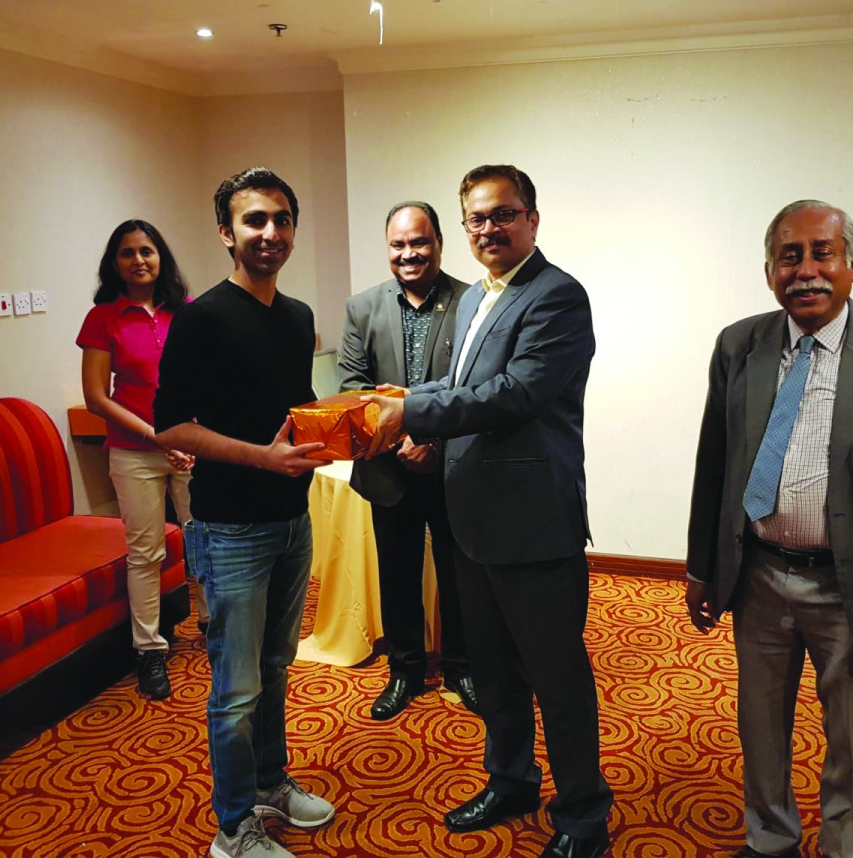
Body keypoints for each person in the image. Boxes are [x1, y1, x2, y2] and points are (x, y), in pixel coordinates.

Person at [685, 200, 853, 858]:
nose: (806, 270)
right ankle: (771, 838)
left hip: (852, 586)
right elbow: (714, 464)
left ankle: (841, 847)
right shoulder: (739, 345)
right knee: (760, 726)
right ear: (770, 271)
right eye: (789, 255)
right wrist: (702, 567)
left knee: (850, 740)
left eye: (822, 253)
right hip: (761, 577)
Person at [365, 165, 613, 858]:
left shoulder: (558, 296)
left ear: (532, 218)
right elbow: (462, 385)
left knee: (556, 678)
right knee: (497, 674)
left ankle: (583, 818)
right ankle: (511, 781)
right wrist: (411, 402)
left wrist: (411, 409)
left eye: (502, 214)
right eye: (476, 218)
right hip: (470, 519)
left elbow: (515, 393)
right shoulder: (476, 299)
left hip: (534, 524)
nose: (488, 228)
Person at [153, 168, 336, 858]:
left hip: (292, 520)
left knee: (278, 666)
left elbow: (293, 410)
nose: (272, 233)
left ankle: (271, 782)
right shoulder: (200, 319)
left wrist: (354, 420)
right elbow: (169, 426)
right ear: (227, 232)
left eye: (283, 219)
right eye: (255, 220)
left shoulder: (297, 317)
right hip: (229, 529)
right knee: (235, 689)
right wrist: (260, 458)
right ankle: (233, 828)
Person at [338, 201, 478, 720]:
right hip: (387, 466)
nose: (409, 253)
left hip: (453, 467)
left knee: (459, 571)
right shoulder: (362, 307)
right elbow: (352, 387)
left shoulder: (472, 302)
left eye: (419, 242)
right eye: (398, 245)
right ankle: (405, 670)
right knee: (396, 573)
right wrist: (402, 440)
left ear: (439, 242)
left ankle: (463, 665)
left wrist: (432, 440)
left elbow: (477, 387)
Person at [76, 219, 201, 701]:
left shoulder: (186, 312)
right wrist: (159, 436)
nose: (139, 260)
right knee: (146, 552)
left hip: (192, 447)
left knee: (206, 541)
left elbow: (206, 375)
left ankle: (215, 628)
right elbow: (95, 396)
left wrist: (194, 436)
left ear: (161, 257)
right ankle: (150, 650)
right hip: (134, 454)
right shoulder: (102, 318)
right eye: (128, 253)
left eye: (147, 251)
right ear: (115, 263)